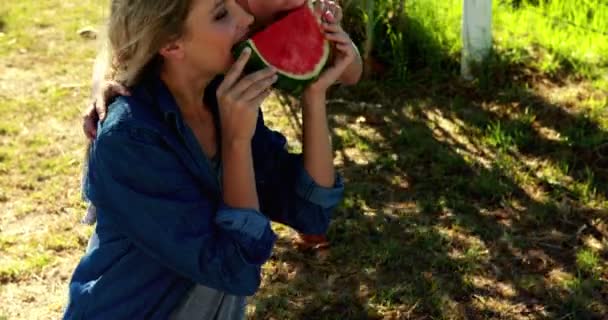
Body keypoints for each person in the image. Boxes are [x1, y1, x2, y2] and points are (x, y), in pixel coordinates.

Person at [64, 0, 356, 318]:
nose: (246, 18)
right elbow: (234, 268)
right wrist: (236, 142)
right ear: (171, 43)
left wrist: (314, 96)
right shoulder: (132, 139)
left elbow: (311, 211)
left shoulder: (220, 99)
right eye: (221, 14)